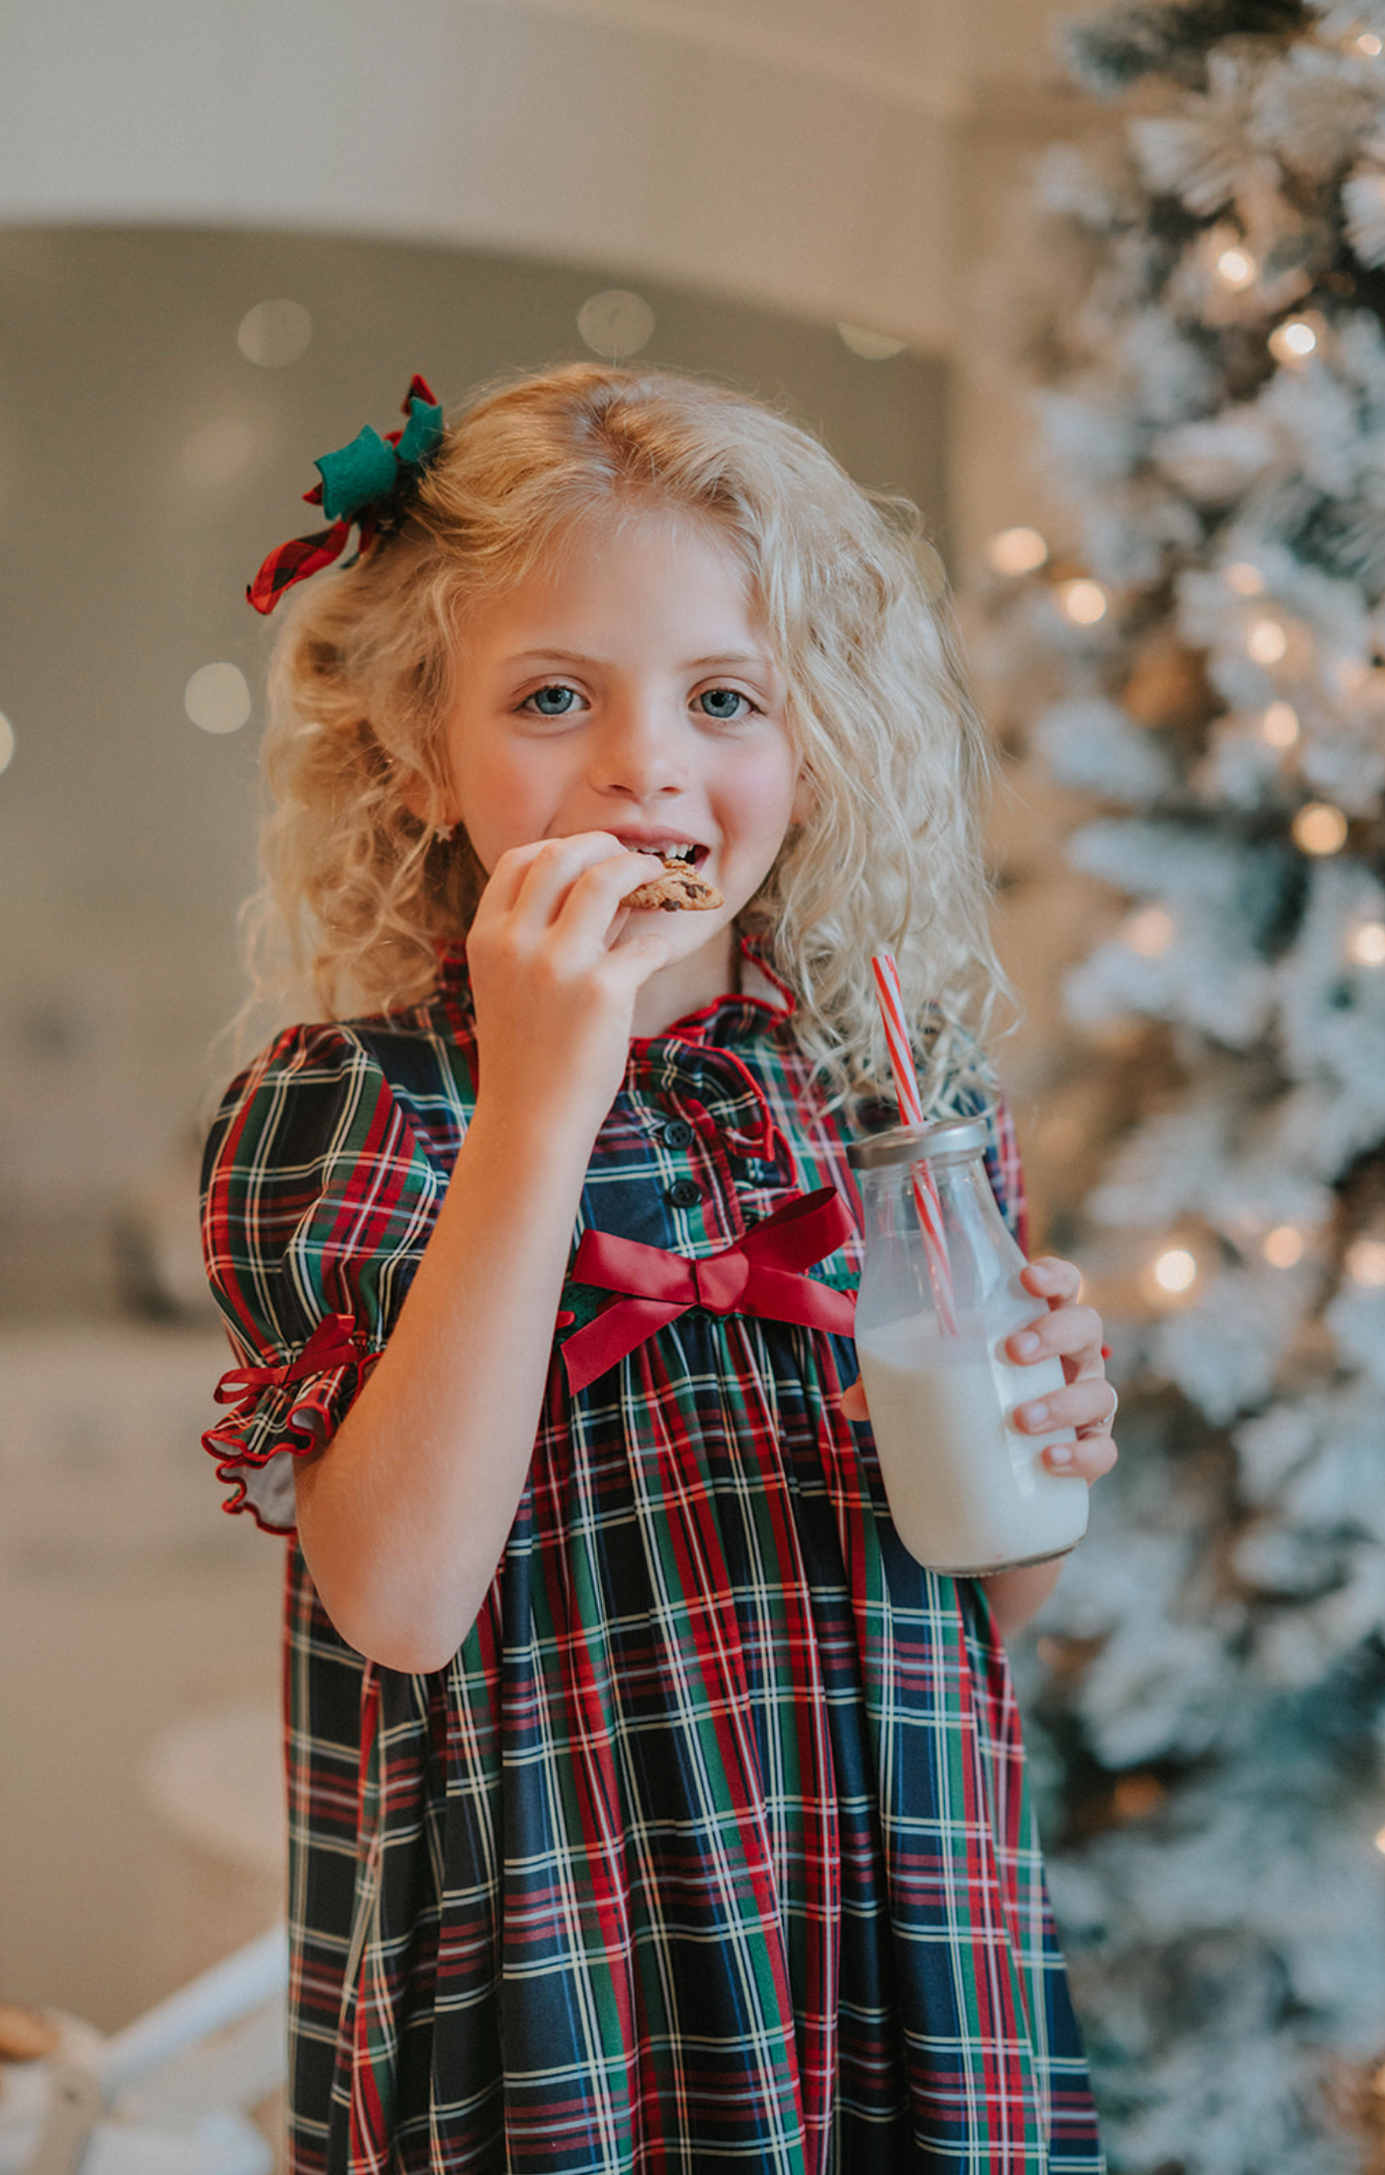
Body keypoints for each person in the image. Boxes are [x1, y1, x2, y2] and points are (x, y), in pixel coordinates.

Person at [201, 362, 1117, 2175]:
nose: (649, 764)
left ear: (814, 742)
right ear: (414, 748)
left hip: (894, 1937)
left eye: (725, 697)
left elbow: (988, 1602)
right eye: (555, 696)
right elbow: (395, 1595)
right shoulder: (353, 1112)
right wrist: (548, 1092)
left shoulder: (892, 1098)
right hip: (563, 1962)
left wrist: (1048, 1470)